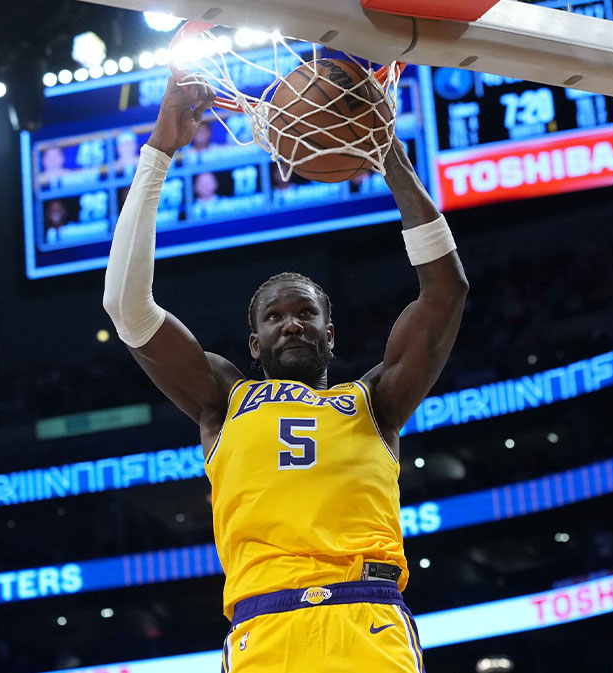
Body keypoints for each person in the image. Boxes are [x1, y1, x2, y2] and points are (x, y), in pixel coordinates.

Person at [103, 75, 468, 673]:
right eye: (275, 317)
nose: (291, 324)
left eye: (306, 313)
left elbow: (446, 292)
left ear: (331, 333)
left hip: (366, 618)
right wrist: (159, 152)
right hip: (264, 629)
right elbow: (127, 308)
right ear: (254, 342)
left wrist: (390, 156)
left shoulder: (375, 400)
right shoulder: (222, 397)